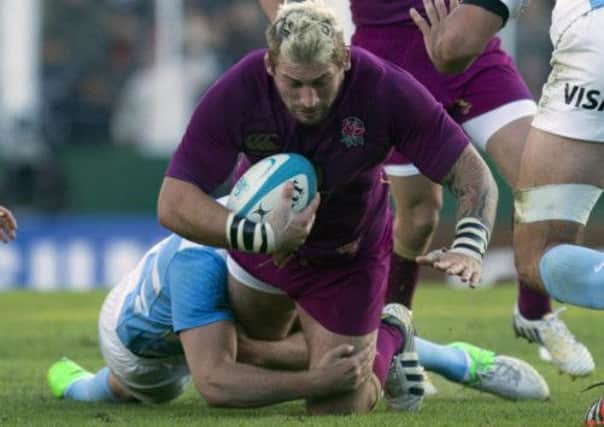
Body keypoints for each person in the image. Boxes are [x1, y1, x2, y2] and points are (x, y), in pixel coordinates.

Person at [158, 0, 500, 414]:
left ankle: (392, 329)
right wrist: (264, 237)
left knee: (338, 406)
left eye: (321, 82)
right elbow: (173, 202)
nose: (307, 99)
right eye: (293, 84)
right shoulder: (241, 88)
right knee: (255, 348)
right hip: (266, 248)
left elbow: (473, 175)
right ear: (270, 65)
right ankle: (360, 340)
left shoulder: (384, 87)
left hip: (348, 256)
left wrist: (469, 243)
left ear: (344, 61)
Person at [258, 0, 595, 378]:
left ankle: (534, 312)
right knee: (419, 216)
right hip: (391, 60)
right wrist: (293, 25)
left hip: (469, 49)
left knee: (540, 182)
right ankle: (396, 334)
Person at [47, 232, 549, 404]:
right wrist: (315, 379)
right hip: (142, 350)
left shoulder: (293, 229)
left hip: (222, 314)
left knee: (316, 331)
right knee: (129, 390)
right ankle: (73, 384)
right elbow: (217, 381)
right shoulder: (199, 264)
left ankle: (446, 356)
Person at [410, 0, 603, 376]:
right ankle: (534, 315)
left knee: (540, 254)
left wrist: (445, 45)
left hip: (594, 45)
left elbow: (458, 44)